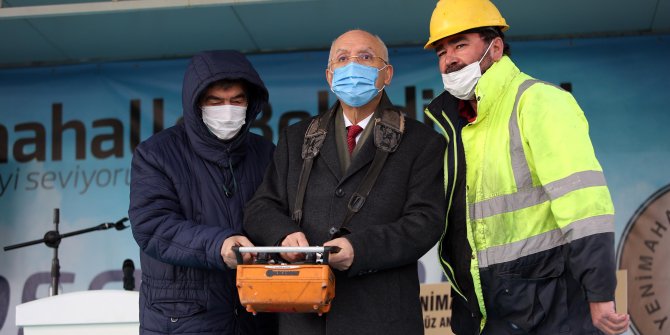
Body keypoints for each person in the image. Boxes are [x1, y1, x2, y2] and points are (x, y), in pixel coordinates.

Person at [422, 1, 630, 334]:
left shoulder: (538, 102)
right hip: (483, 311)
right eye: (441, 52)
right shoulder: (453, 122)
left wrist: (600, 292)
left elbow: (583, 206)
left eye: (460, 44)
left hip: (548, 306)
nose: (450, 59)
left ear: (496, 47)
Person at [243, 29, 445, 335]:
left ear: (386, 73)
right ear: (329, 75)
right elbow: (260, 207)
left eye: (365, 57)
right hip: (303, 318)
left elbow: (426, 222)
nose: (353, 66)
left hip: (382, 318)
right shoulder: (295, 137)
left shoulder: (422, 141)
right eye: (342, 58)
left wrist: (359, 249)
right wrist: (284, 234)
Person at [128, 50, 276, 335]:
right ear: (196, 104)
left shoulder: (266, 153)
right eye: (216, 101)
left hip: (255, 316)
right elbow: (152, 226)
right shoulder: (156, 154)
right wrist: (220, 245)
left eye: (237, 100)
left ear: (250, 102)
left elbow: (280, 213)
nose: (228, 109)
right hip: (184, 319)